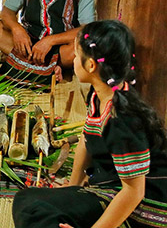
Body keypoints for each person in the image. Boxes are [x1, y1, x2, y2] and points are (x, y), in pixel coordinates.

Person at [12, 20, 167, 228]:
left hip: (142, 208)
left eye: (77, 55)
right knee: (26, 200)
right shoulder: (99, 94)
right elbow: (86, 139)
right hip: (109, 186)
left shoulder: (121, 120)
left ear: (91, 65)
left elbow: (133, 192)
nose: (74, 60)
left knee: (34, 210)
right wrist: (73, 187)